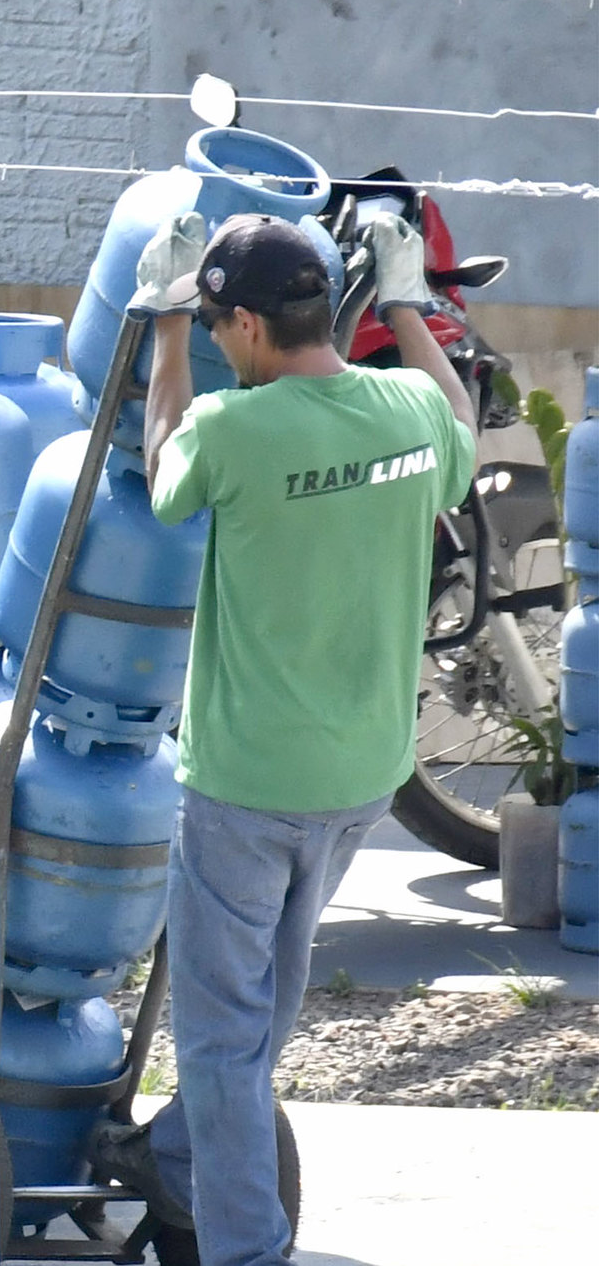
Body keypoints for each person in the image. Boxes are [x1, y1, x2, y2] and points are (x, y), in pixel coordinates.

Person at [93, 210, 478, 1266]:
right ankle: (190, 1169)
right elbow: (455, 420)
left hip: (245, 790)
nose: (219, 340)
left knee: (219, 1044)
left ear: (253, 325)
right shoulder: (405, 408)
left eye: (221, 323)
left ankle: (241, 1251)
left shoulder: (232, 431)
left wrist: (162, 322)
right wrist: (404, 307)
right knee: (257, 1019)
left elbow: (163, 465)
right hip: (359, 777)